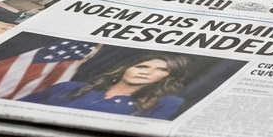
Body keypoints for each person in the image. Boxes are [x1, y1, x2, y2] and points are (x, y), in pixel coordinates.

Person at [21, 53, 189, 119]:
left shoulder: (167, 102)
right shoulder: (68, 87)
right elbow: (20, 109)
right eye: (141, 66)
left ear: (168, 77)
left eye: (161, 69)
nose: (146, 72)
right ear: (126, 69)